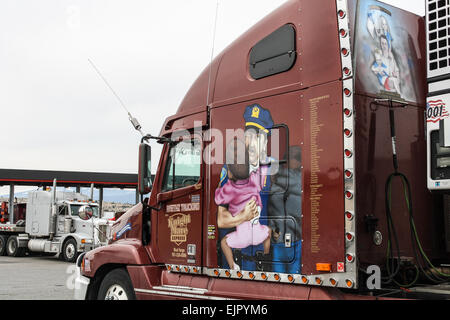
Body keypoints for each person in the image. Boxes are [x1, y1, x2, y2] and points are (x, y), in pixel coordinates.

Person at [217, 104, 274, 271]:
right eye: (248, 135)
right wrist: (242, 216)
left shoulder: (272, 169)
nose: (251, 141)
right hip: (238, 256)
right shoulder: (230, 169)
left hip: (262, 259)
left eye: (258, 135)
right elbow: (222, 217)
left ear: (266, 140)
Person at [267, 146, 302, 274]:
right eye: (289, 157)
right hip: (283, 241)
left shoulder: (276, 179)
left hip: (291, 241)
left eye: (296, 158)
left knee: (283, 280)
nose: (293, 161)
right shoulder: (277, 179)